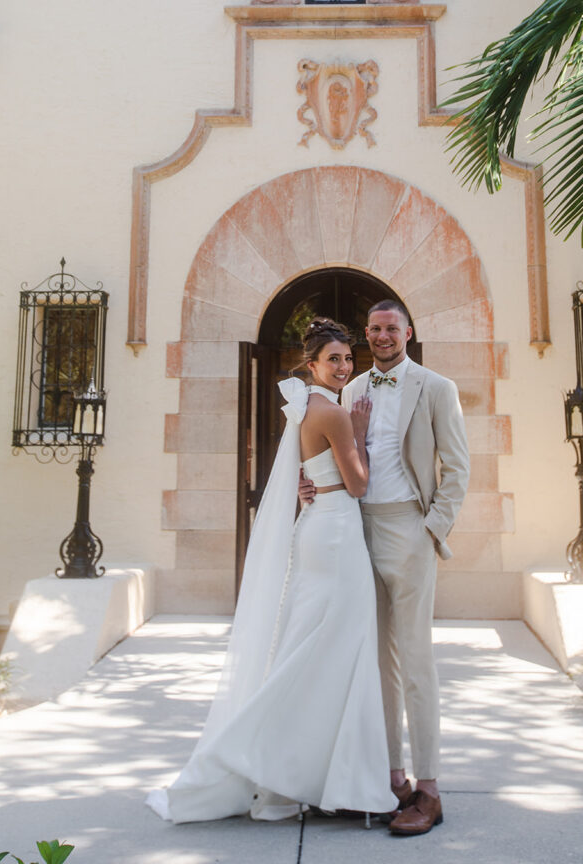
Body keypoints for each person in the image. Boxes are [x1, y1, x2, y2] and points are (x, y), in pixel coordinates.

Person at [147, 317, 397, 823]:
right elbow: (358, 485)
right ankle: (263, 751)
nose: (345, 366)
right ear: (313, 364)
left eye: (349, 358)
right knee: (341, 651)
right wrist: (362, 434)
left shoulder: (306, 407)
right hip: (338, 535)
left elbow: (306, 474)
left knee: (310, 645)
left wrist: (319, 477)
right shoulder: (338, 414)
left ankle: (300, 771)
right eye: (335, 359)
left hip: (315, 529)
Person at [300, 300, 470, 836]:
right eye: (373, 329)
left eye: (390, 328)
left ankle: (430, 789)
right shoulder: (350, 390)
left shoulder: (437, 388)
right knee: (375, 662)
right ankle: (391, 780)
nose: (381, 336)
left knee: (416, 660)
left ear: (407, 332)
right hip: (355, 528)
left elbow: (458, 469)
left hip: (409, 530)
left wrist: (430, 530)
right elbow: (336, 456)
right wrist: (312, 484)